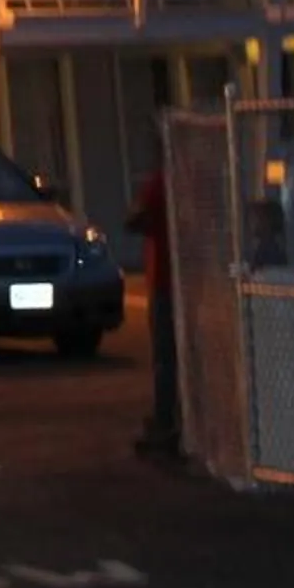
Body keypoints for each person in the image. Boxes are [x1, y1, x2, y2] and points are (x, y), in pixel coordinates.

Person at [128, 166, 179, 460]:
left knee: (165, 357)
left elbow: (135, 220)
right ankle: (177, 420)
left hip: (164, 279)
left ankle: (167, 421)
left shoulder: (160, 181)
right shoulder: (188, 175)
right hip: (186, 278)